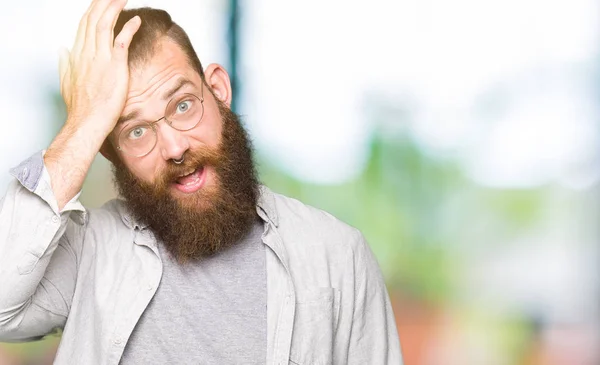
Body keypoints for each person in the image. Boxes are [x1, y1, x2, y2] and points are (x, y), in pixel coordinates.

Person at [0, 0, 403, 364]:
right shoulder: (89, 253)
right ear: (109, 152)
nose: (174, 147)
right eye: (136, 132)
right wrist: (83, 124)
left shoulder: (338, 258)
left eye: (184, 105)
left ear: (218, 89)